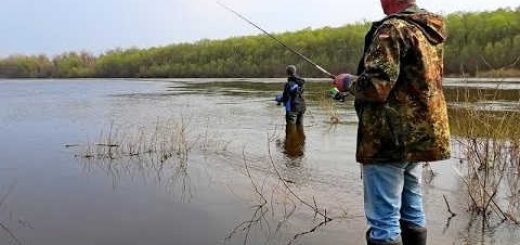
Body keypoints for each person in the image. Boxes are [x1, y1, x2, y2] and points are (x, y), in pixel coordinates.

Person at [332, 0, 451, 244]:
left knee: (384, 221)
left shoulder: (393, 29)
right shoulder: (428, 30)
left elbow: (376, 86)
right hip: (420, 137)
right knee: (412, 210)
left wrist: (346, 82)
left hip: (389, 138)